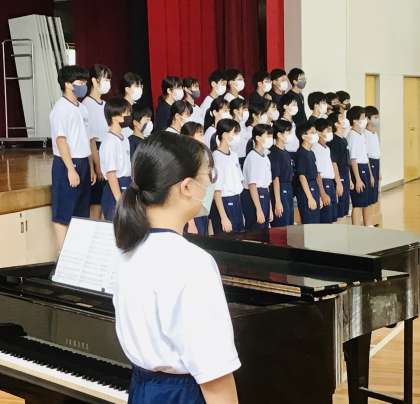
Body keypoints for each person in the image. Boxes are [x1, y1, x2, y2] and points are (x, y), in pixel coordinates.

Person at [113, 134, 240, 404]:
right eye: (209, 176)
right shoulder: (193, 262)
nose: (210, 185)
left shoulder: (126, 250)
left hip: (143, 390)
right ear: (187, 187)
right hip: (181, 395)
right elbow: (215, 376)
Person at [50, 65, 95, 250]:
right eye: (80, 82)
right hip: (67, 163)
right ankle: (62, 254)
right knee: (63, 212)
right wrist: (70, 169)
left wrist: (91, 167)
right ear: (68, 84)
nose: (84, 85)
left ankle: (77, 254)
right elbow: (61, 141)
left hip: (83, 162)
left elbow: (86, 139)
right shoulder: (60, 109)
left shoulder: (82, 108)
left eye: (85, 81)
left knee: (80, 212)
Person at [83, 64, 112, 220]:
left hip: (107, 152)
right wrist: (97, 166)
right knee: (96, 202)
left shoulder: (106, 105)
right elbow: (91, 140)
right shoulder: (87, 105)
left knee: (104, 201)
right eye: (105, 79)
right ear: (94, 81)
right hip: (96, 154)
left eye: (109, 79)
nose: (108, 83)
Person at [99, 98, 132, 221]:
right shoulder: (109, 142)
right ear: (115, 117)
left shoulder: (124, 139)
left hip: (127, 184)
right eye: (126, 113)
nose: (129, 116)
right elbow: (111, 173)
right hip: (116, 188)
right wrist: (119, 199)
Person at [210, 119, 244, 234]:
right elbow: (216, 191)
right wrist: (223, 217)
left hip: (236, 201)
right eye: (234, 133)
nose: (236, 136)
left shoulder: (234, 155)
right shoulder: (216, 157)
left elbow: (239, 180)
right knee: (228, 237)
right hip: (224, 202)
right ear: (224, 135)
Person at [241, 124, 273, 230]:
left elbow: (266, 186)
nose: (270, 138)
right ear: (258, 138)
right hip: (254, 197)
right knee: (255, 231)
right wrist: (258, 209)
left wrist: (270, 208)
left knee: (264, 231)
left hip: (264, 195)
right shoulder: (252, 157)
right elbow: (252, 185)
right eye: (268, 136)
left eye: (271, 136)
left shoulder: (265, 157)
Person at [347, 106, 374, 225]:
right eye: (363, 117)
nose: (365, 120)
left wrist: (371, 175)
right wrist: (357, 180)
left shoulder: (361, 134)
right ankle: (356, 229)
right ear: (355, 120)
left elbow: (365, 156)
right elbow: (352, 159)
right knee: (358, 203)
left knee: (367, 201)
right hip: (357, 169)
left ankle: (368, 225)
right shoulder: (352, 136)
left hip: (365, 168)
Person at [180, 121, 208, 235]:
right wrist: (191, 222)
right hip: (191, 213)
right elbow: (185, 190)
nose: (202, 137)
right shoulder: (185, 159)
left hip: (202, 208)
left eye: (202, 133)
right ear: (190, 137)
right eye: (199, 134)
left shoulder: (201, 155)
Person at [327, 112, 353, 222]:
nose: (345, 120)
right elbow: (334, 163)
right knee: (340, 210)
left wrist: (350, 179)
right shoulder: (333, 141)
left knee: (345, 209)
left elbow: (346, 162)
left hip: (345, 176)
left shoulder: (344, 139)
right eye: (341, 118)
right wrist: (338, 183)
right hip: (339, 177)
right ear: (336, 124)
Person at [269, 119, 294, 227]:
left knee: (289, 222)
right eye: (288, 132)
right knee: (282, 224)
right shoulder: (274, 152)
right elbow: (276, 178)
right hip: (280, 189)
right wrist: (278, 201)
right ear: (279, 134)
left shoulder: (286, 152)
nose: (290, 135)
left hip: (288, 188)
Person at [295, 122, 321, 224]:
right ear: (304, 136)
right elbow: (302, 176)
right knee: (309, 222)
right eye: (312, 132)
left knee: (316, 222)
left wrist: (318, 196)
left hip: (314, 188)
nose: (315, 135)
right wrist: (309, 197)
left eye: (315, 132)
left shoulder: (311, 152)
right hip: (306, 190)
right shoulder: (301, 153)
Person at [312, 118, 337, 223]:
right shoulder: (315, 148)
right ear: (319, 132)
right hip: (323, 183)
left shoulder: (327, 148)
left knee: (332, 216)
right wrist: (322, 193)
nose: (330, 132)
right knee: (326, 217)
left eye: (331, 130)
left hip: (330, 183)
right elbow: (318, 173)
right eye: (328, 130)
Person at [365, 105, 381, 220]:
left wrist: (379, 172)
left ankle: (373, 219)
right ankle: (368, 221)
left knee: (375, 194)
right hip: (370, 163)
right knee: (370, 194)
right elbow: (366, 155)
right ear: (368, 119)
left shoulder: (374, 133)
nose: (377, 120)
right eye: (375, 117)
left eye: (377, 117)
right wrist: (371, 174)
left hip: (376, 162)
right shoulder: (365, 134)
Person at [120, 72, 143, 138]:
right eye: (137, 86)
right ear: (127, 89)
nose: (140, 89)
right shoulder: (121, 108)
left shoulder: (134, 106)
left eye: (140, 86)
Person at [278, 92, 300, 158]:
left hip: (295, 153)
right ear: (285, 106)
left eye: (296, 104)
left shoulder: (293, 122)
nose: (296, 107)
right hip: (287, 154)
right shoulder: (281, 123)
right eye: (293, 104)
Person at [229, 97, 250, 163]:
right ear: (235, 111)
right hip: (236, 159)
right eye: (243, 109)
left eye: (246, 109)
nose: (246, 111)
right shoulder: (230, 127)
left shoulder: (242, 123)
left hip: (245, 157)